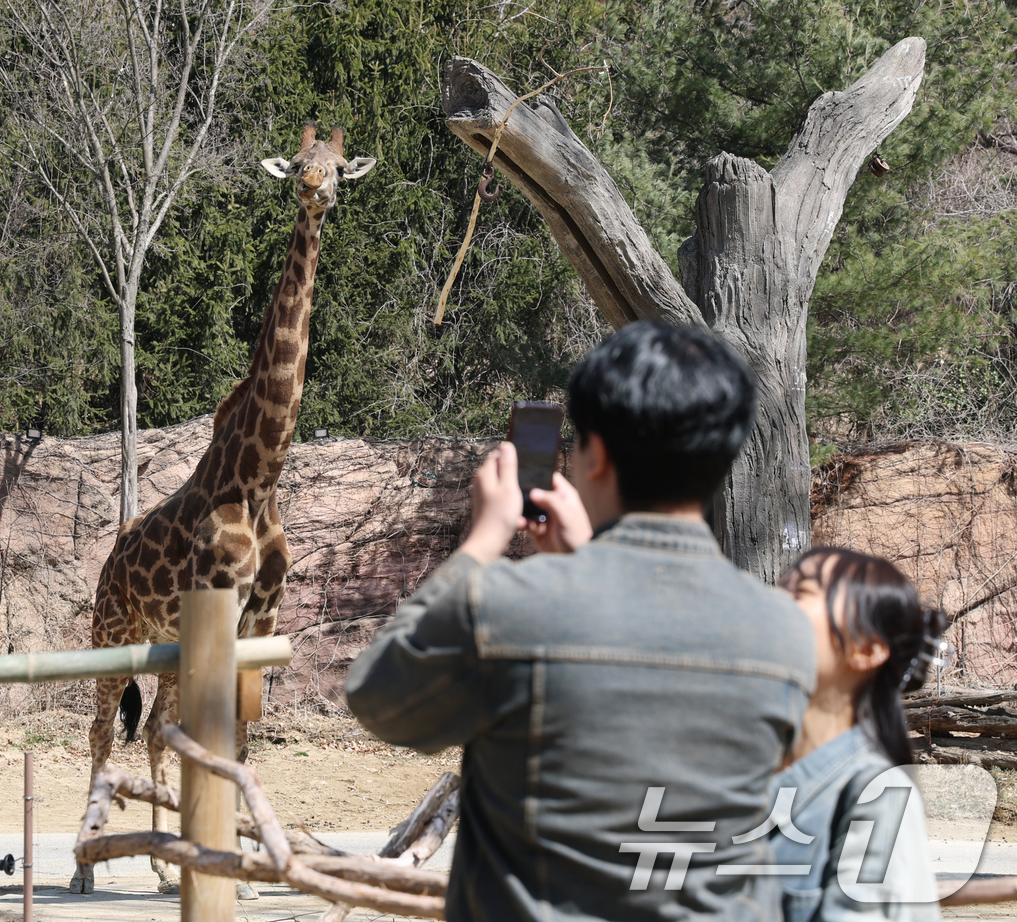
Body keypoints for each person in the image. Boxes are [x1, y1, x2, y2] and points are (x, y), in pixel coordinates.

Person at [345, 321, 817, 922]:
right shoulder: (785, 634)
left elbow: (379, 698)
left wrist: (482, 540)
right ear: (724, 455)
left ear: (595, 455)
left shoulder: (508, 605)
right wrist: (585, 559)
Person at [770, 548, 945, 922]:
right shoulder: (738, 770)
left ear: (865, 649)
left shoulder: (876, 797)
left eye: (799, 591)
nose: (771, 598)